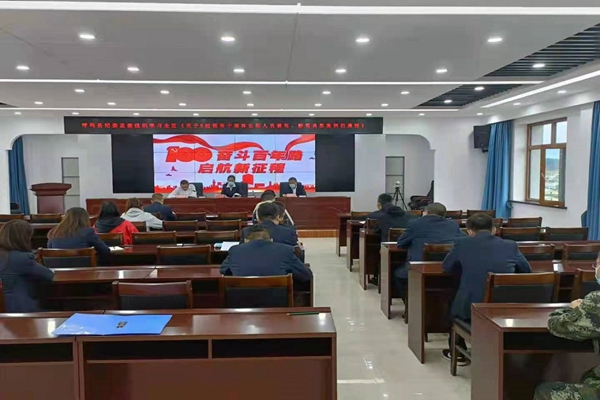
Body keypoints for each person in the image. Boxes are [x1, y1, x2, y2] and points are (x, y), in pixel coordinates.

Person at [441, 213, 532, 365]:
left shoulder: (462, 243)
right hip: (504, 307)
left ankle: (459, 354)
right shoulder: (510, 245)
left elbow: (447, 267)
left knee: (452, 301)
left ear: (469, 231)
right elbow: (526, 271)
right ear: (494, 230)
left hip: (473, 307)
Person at [533, 254, 600, 400]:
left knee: (544, 391)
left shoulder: (597, 301)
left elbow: (557, 325)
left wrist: (576, 309)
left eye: (597, 265)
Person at [394, 202, 463, 297]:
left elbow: (400, 244)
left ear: (427, 212)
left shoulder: (415, 223)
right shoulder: (453, 225)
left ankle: (410, 301)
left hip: (419, 265)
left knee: (399, 274)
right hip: (447, 265)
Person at [220, 225, 312, 282]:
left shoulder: (235, 250)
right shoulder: (285, 250)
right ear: (271, 240)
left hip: (240, 302)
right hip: (278, 302)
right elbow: (306, 275)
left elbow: (223, 270)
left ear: (246, 241)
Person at [0, 220, 54, 312]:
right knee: (71, 316)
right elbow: (49, 275)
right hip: (20, 311)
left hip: (5, 311)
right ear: (24, 238)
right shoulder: (22, 258)